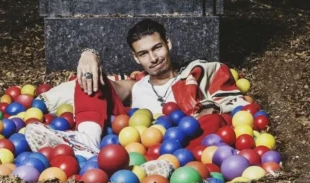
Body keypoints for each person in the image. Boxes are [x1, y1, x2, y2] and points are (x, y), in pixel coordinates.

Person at [25, 19, 249, 158]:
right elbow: (100, 84)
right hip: (134, 144)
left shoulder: (193, 75)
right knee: (90, 78)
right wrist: (88, 54)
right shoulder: (136, 86)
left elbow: (230, 100)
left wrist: (209, 108)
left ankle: (166, 163)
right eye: (144, 54)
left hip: (180, 142)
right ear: (136, 58)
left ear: (168, 44)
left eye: (157, 48)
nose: (153, 58)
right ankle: (87, 141)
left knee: (212, 120)